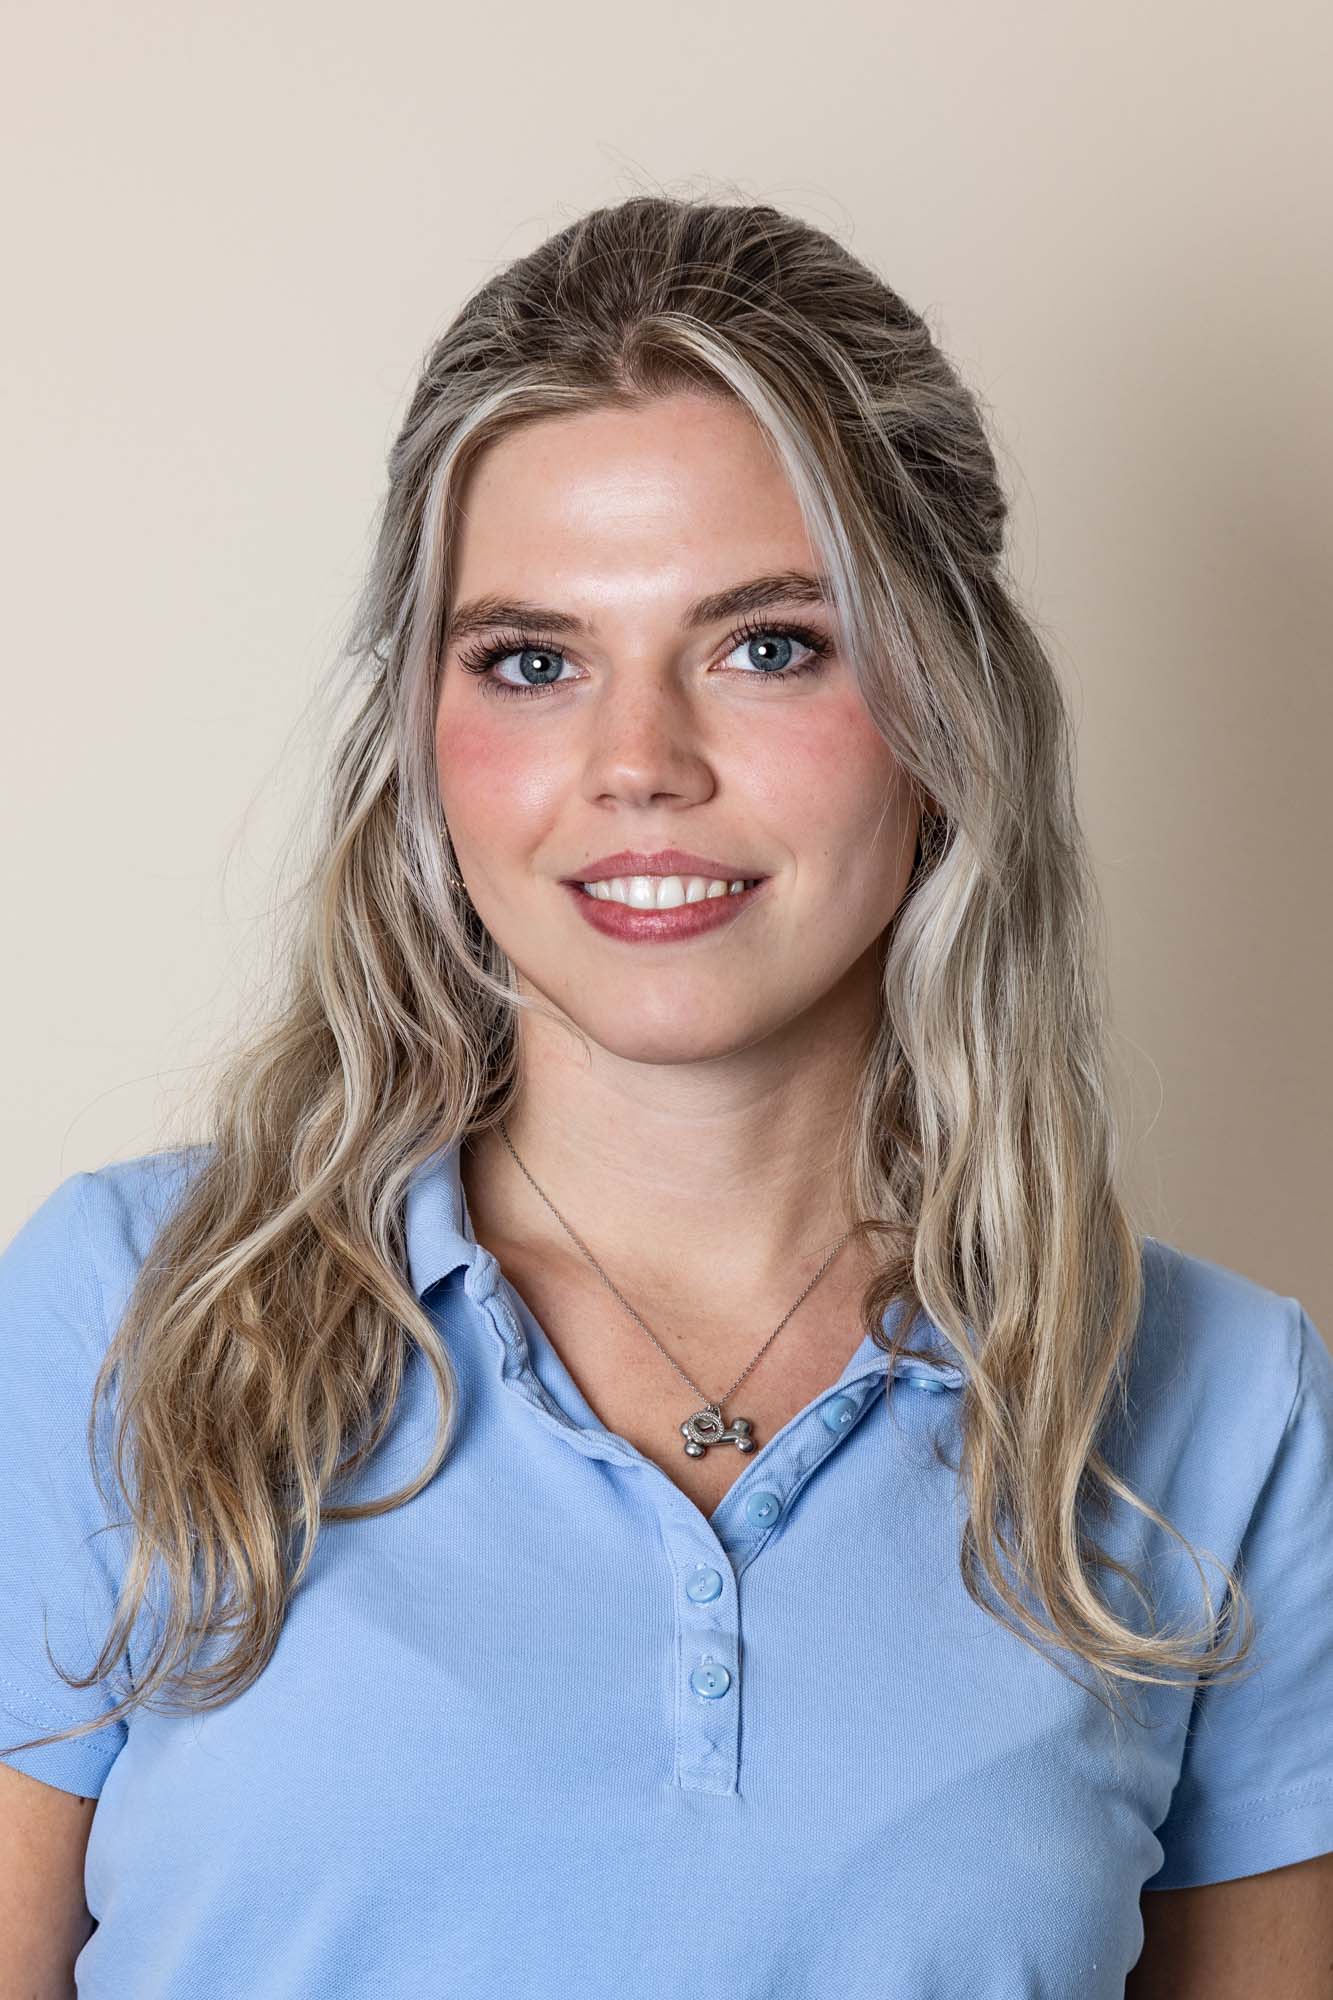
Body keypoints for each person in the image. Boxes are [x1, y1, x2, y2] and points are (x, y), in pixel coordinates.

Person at [1, 195, 1330, 2000]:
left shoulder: (1223, 1405)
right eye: (531, 660)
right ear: (422, 741)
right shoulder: (132, 1309)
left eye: (768, 643)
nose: (638, 763)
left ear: (946, 709)